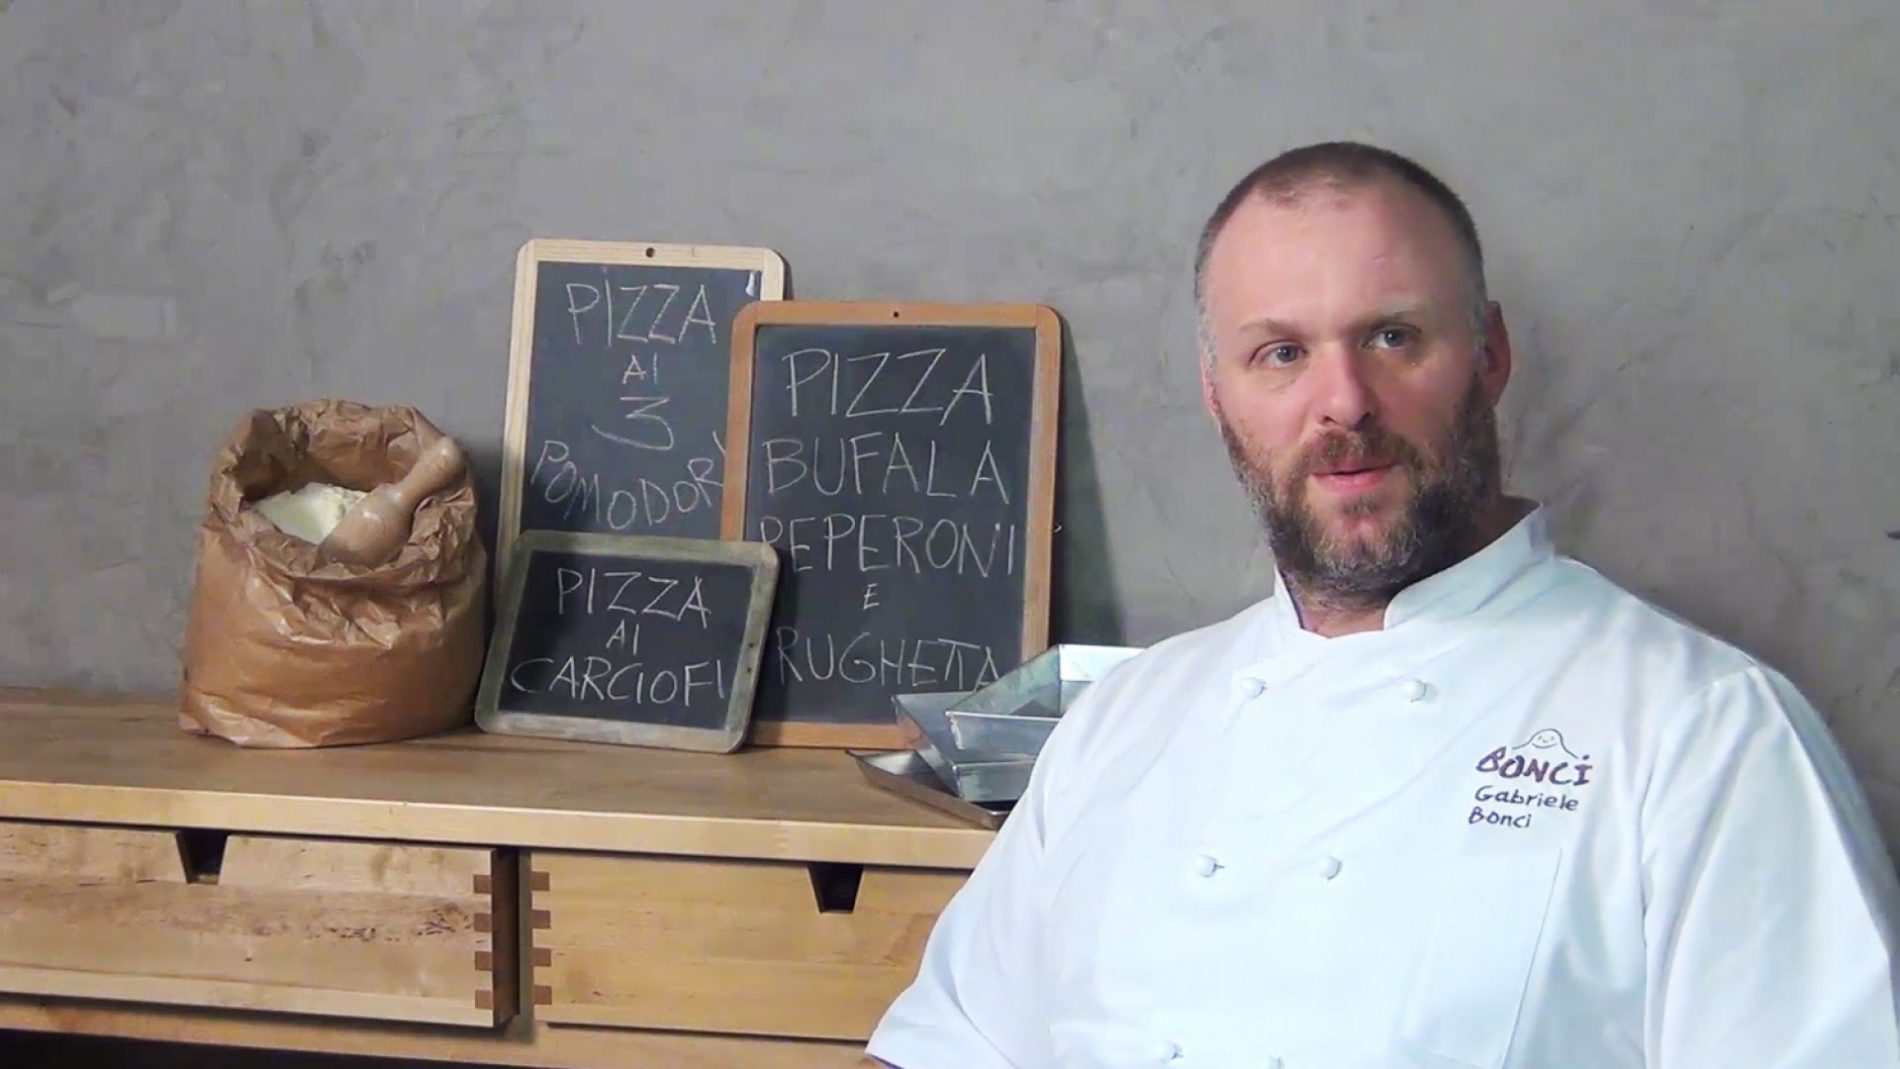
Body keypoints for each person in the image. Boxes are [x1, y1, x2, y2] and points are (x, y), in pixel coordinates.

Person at [865, 141, 1900, 1068]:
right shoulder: (1126, 720)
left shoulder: (1703, 733)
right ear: (1217, 392)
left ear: (1489, 356)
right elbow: (948, 1047)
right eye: (1281, 352)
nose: (1344, 404)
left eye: (1393, 338)